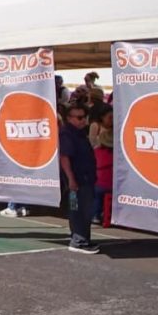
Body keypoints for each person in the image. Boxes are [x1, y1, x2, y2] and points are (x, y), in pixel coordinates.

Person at [60, 102, 99, 254]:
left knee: (84, 209)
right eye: (79, 117)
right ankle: (78, 240)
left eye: (84, 117)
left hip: (85, 178)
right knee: (78, 210)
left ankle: (83, 238)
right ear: (69, 118)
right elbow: (64, 157)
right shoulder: (67, 134)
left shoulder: (80, 133)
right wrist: (71, 179)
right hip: (77, 180)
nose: (83, 120)